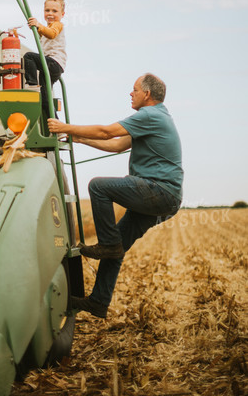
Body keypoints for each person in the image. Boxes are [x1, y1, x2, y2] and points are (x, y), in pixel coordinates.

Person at [47, 73, 183, 319]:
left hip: (159, 190)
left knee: (99, 187)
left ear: (147, 94)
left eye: (134, 90)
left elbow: (107, 132)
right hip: (164, 197)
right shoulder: (155, 118)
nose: (130, 94)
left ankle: (107, 244)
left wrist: (65, 126)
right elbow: (117, 145)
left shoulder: (150, 115)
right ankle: (98, 302)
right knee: (117, 250)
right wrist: (77, 137)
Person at [24, 0, 67, 116]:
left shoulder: (57, 25)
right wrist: (37, 28)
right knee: (45, 100)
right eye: (47, 10)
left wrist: (38, 25)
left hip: (54, 62)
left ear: (62, 14)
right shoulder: (46, 28)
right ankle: (56, 127)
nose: (50, 13)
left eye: (54, 11)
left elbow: (51, 34)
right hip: (49, 65)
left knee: (29, 57)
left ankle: (32, 86)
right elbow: (45, 33)